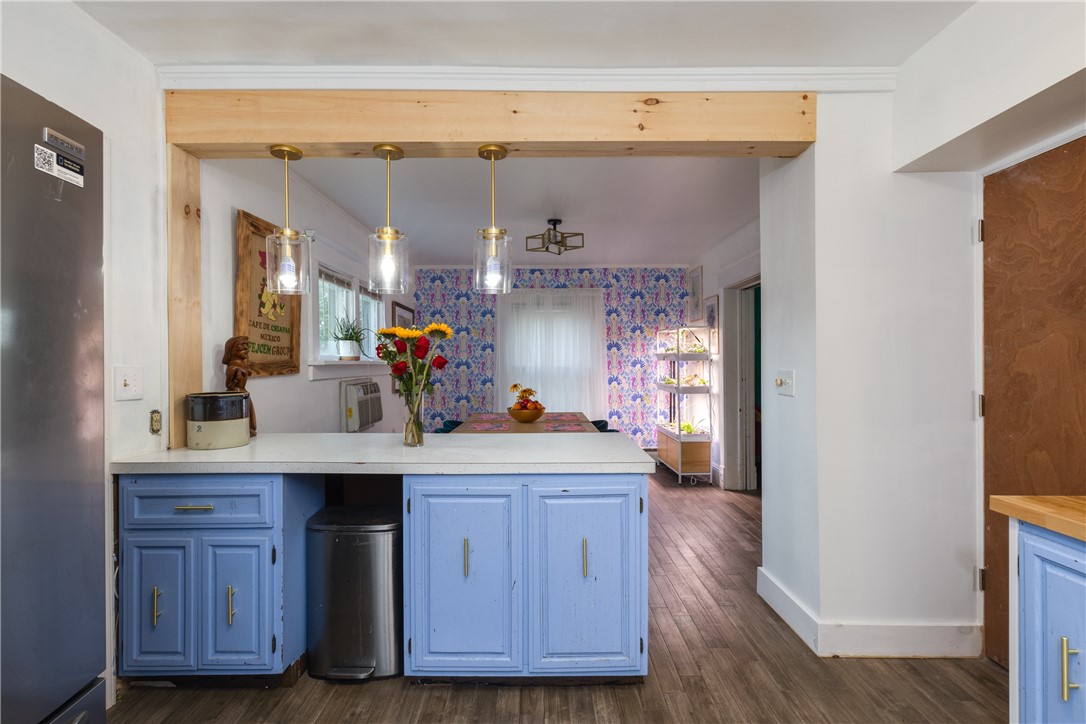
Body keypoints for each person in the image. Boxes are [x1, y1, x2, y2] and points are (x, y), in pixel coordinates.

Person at [222, 335, 256, 436]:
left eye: (247, 345)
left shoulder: (242, 364)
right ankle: (239, 432)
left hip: (243, 392)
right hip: (235, 394)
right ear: (231, 349)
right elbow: (228, 384)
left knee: (249, 413)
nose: (246, 348)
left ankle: (249, 429)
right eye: (242, 345)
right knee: (238, 413)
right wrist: (236, 375)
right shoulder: (232, 367)